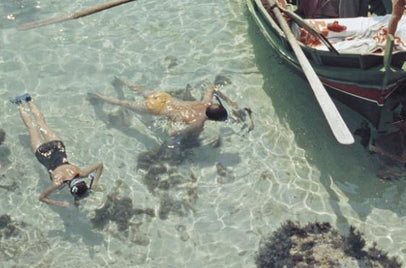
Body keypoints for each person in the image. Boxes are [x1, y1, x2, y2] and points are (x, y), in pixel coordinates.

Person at [13, 93, 103, 208]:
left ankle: (28, 100)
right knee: (31, 127)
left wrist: (94, 183)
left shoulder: (82, 173)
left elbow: (100, 164)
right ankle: (19, 103)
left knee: (41, 122)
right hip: (43, 153)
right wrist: (59, 203)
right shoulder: (58, 182)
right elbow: (42, 198)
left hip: (57, 147)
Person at [89, 79, 238, 139]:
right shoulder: (198, 123)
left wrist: (229, 101)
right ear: (214, 119)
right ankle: (96, 96)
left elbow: (212, 88)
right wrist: (180, 130)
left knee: (139, 90)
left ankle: (119, 80)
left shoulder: (206, 102)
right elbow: (172, 132)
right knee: (122, 103)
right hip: (154, 108)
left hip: (163, 97)